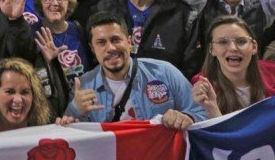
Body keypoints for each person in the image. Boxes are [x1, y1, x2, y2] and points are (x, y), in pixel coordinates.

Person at [64, 12, 206, 127]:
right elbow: (69, 135)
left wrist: (187, 117)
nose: (110, 48)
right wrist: (75, 110)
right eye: (101, 43)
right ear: (92, 48)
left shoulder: (164, 72)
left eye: (116, 40)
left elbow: (202, 113)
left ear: (129, 42)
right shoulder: (83, 87)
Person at [192, 16, 275, 119]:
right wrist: (212, 108)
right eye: (223, 42)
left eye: (241, 41)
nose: (233, 48)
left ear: (254, 46)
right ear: (212, 50)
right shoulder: (202, 84)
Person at [33, 0, 91, 116]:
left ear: (69, 2)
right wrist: (46, 63)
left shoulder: (79, 30)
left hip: (82, 107)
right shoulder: (32, 34)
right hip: (48, 109)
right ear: (40, 3)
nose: (55, 3)